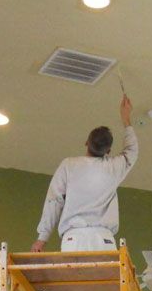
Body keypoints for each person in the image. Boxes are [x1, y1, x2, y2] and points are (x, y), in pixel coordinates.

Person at [31, 95, 137, 253]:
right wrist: (126, 118)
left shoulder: (69, 165)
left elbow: (54, 201)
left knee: (74, 278)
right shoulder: (114, 167)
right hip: (104, 239)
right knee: (106, 279)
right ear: (108, 151)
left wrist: (42, 238)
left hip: (74, 239)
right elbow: (132, 150)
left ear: (86, 143)